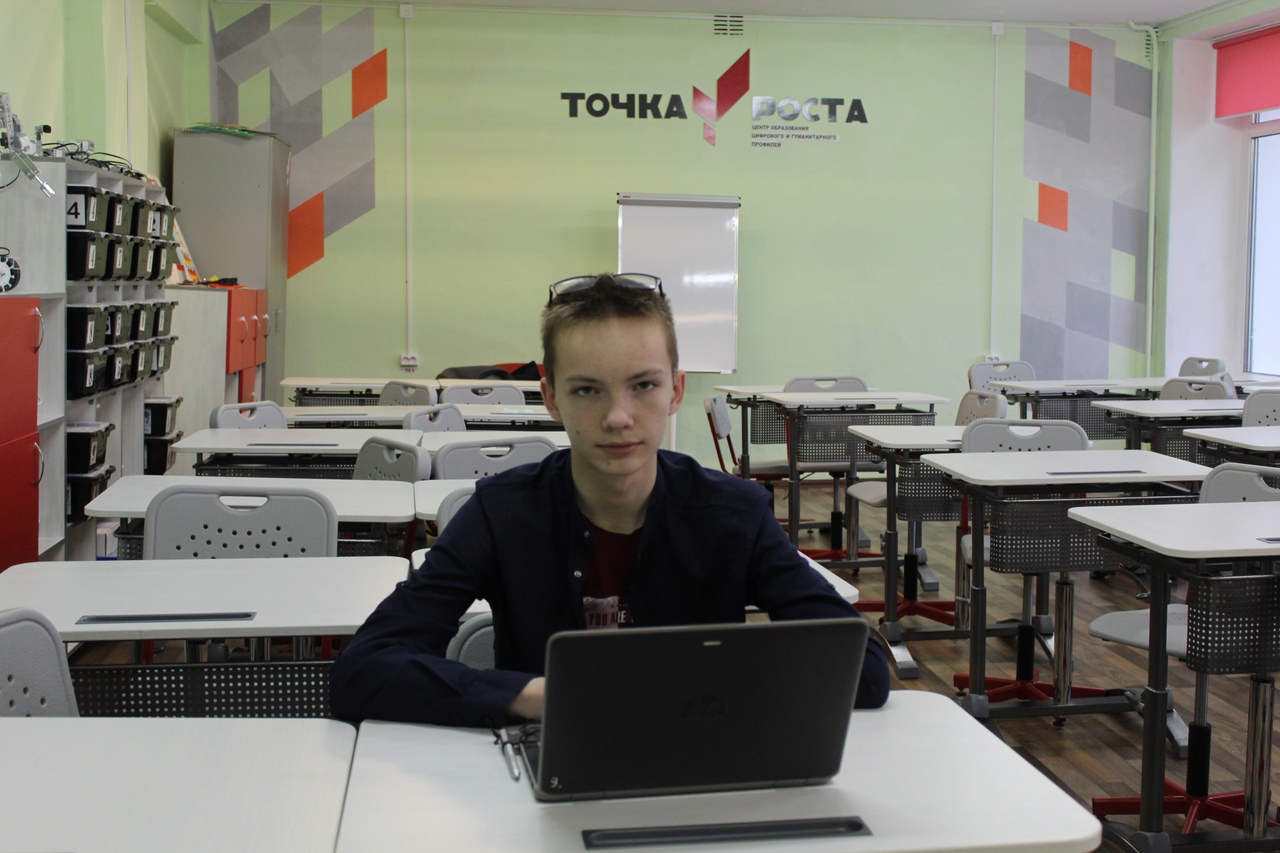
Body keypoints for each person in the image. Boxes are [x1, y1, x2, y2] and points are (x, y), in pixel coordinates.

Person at [330, 273, 890, 726]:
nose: (618, 417)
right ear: (551, 396)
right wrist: (540, 697)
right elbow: (363, 671)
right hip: (541, 766)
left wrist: (713, 688)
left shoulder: (733, 514)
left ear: (676, 390)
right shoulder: (502, 513)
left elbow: (862, 668)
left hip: (697, 759)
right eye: (587, 390)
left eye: (643, 385)